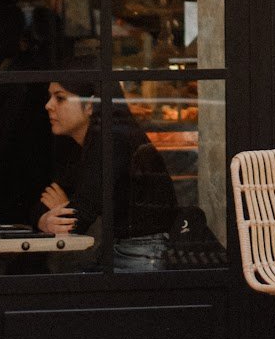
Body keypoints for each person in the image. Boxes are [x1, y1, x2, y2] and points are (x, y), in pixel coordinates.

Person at [36, 79, 176, 244]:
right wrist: (46, 220)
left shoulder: (112, 141)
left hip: (141, 255)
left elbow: (75, 222)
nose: (48, 105)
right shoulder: (85, 142)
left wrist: (59, 214)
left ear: (90, 105)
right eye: (49, 97)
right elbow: (46, 201)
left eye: (60, 98)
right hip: (125, 251)